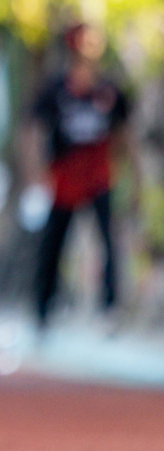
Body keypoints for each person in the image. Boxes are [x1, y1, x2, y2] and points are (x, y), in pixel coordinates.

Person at [25, 23, 133, 331]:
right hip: (64, 179)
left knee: (109, 241)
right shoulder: (55, 88)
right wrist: (35, 175)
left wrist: (130, 175)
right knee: (53, 243)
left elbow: (125, 135)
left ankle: (109, 308)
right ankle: (43, 308)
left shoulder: (110, 90)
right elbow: (32, 129)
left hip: (99, 177)